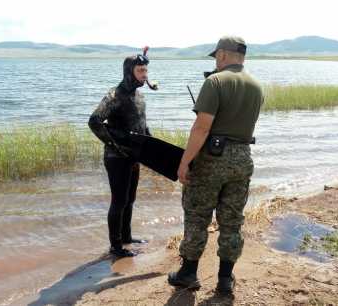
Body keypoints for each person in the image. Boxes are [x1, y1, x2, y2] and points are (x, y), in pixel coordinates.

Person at [168, 36, 264, 294]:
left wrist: (184, 163)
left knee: (197, 216)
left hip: (212, 159)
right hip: (243, 158)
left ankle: (188, 274)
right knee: (232, 220)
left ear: (222, 55)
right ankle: (224, 280)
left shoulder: (215, 81)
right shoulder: (256, 85)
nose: (216, 61)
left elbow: (201, 127)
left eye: (216, 56)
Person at [88, 49, 156, 258]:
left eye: (146, 70)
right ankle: (115, 247)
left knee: (130, 199)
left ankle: (126, 237)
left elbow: (142, 126)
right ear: (129, 71)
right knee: (119, 201)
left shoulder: (139, 96)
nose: (144, 74)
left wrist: (152, 148)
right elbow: (94, 121)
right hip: (116, 158)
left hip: (134, 157)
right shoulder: (114, 96)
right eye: (140, 70)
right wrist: (116, 147)